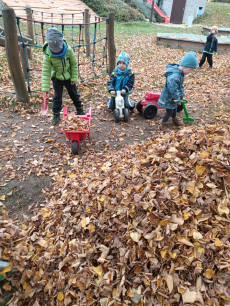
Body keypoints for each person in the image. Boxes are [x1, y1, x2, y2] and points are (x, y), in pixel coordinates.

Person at [42, 27, 85, 125]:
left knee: (74, 94)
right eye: (53, 49)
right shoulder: (48, 54)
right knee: (57, 97)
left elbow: (74, 64)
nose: (56, 51)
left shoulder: (68, 50)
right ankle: (56, 115)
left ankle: (79, 110)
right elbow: (46, 71)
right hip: (57, 78)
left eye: (57, 48)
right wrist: (45, 88)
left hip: (69, 77)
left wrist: (74, 77)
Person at [157, 51, 198, 132]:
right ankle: (163, 124)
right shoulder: (174, 77)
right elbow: (173, 90)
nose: (190, 72)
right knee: (169, 111)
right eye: (190, 70)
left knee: (174, 108)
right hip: (168, 97)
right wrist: (177, 99)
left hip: (173, 97)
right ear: (185, 67)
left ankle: (174, 118)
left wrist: (182, 96)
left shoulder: (180, 74)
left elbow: (180, 87)